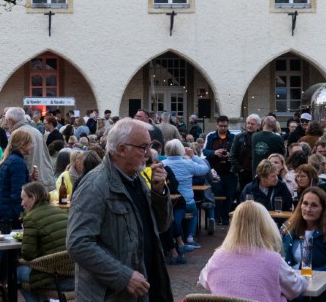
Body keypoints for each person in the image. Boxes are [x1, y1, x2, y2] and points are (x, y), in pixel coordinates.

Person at [67, 118, 173, 302]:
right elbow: (78, 243)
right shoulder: (95, 185)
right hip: (111, 295)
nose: (149, 153)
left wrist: (158, 193)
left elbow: (162, 226)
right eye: (143, 147)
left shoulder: (137, 180)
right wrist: (123, 276)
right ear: (122, 149)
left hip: (144, 288)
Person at [198, 201, 307, 302]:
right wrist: (304, 279)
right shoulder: (273, 260)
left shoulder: (217, 257)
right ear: (266, 227)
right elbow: (295, 288)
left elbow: (204, 280)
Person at [281, 187, 326, 302]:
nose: (308, 209)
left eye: (314, 205)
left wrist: (315, 274)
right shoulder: (290, 230)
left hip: (318, 291)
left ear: (323, 209)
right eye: (305, 203)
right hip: (291, 286)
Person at [18, 181, 73, 302]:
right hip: (75, 275)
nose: (22, 203)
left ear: (33, 198)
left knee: (16, 272)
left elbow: (28, 255)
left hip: (55, 278)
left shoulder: (31, 218)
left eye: (23, 199)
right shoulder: (62, 212)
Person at [162, 139, 210, 245]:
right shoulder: (188, 163)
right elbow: (205, 168)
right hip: (187, 200)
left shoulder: (162, 164)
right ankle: (190, 236)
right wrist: (193, 156)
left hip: (168, 201)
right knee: (194, 212)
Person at [0, 127, 37, 231]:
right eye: (30, 143)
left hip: (3, 211)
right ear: (22, 144)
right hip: (11, 214)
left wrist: (29, 178)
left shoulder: (9, 159)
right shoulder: (17, 162)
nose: (32, 146)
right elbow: (18, 193)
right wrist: (22, 214)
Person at [5, 108, 55, 190]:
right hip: (45, 179)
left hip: (30, 183)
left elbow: (13, 160)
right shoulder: (36, 131)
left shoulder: (18, 134)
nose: (7, 124)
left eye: (6, 121)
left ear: (10, 120)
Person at [203, 115, 237, 226]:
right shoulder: (211, 136)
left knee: (229, 196)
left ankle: (226, 218)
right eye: (221, 126)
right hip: (215, 172)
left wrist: (229, 155)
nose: (223, 128)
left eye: (225, 126)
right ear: (217, 125)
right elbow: (205, 151)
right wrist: (214, 152)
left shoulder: (233, 137)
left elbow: (237, 153)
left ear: (228, 126)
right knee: (216, 195)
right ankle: (217, 218)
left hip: (229, 171)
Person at [231, 114, 260, 191]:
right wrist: (240, 169)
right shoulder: (239, 137)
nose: (249, 126)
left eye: (252, 124)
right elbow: (232, 155)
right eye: (248, 123)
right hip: (243, 172)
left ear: (258, 126)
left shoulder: (261, 137)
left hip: (258, 172)